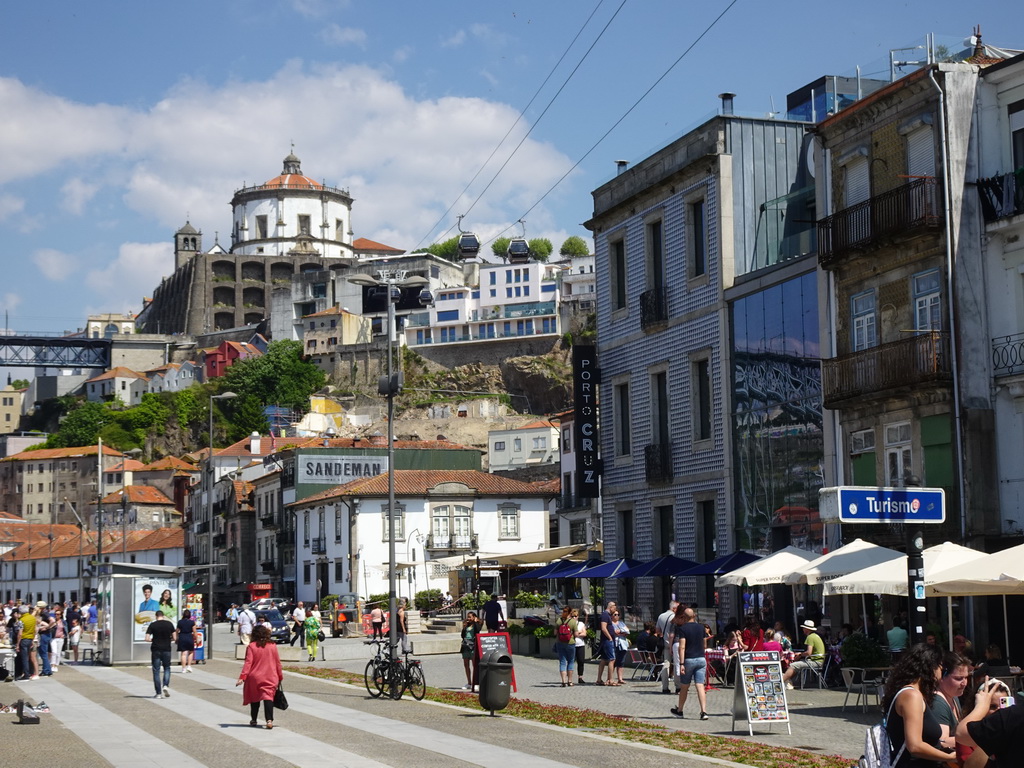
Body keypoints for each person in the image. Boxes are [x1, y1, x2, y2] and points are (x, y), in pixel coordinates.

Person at [883, 643, 955, 767]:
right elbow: (915, 746)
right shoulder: (911, 696)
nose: (941, 673)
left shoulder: (910, 693)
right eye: (941, 668)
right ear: (931, 667)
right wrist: (949, 757)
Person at [956, 677, 1024, 768]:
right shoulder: (967, 731)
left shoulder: (1015, 726)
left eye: (1003, 705)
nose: (999, 711)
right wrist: (993, 735)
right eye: (992, 706)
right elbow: (970, 766)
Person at [236, 624, 283, 730]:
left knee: (254, 698)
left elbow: (248, 663)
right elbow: (277, 663)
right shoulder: (273, 645)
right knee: (268, 697)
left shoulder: (252, 646)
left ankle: (254, 719)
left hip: (255, 677)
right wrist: (280, 676)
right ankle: (269, 720)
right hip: (271, 676)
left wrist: (242, 677)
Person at [670, 607, 709, 720]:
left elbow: (682, 647)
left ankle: (680, 710)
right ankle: (704, 711)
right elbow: (705, 644)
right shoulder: (701, 628)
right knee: (700, 685)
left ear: (684, 617)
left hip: (689, 659)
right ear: (694, 616)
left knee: (685, 686)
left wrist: (681, 664)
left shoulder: (683, 629)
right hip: (701, 659)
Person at [930, 652, 970, 754]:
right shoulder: (938, 703)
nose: (964, 683)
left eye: (966, 677)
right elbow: (943, 742)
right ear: (942, 677)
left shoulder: (954, 697)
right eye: (958, 678)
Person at [782, 620, 826, 689]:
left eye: (804, 628)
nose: (802, 629)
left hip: (815, 662)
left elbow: (809, 652)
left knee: (793, 665)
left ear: (807, 629)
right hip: (819, 660)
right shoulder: (815, 636)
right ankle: (787, 680)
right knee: (797, 664)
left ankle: (780, 682)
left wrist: (800, 654)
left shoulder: (810, 637)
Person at [145, 610, 177, 699]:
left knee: (156, 671)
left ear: (156, 616)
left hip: (156, 649)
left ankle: (158, 693)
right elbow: (174, 637)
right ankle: (165, 685)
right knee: (167, 668)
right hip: (166, 649)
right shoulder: (169, 624)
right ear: (163, 616)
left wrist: (153, 640)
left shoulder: (153, 625)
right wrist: (168, 639)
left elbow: (147, 638)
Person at [656, 600, 679, 694]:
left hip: (665, 644)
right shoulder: (675, 617)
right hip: (674, 643)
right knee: (677, 664)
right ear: (674, 608)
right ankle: (678, 686)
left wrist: (664, 634)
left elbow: (657, 630)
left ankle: (665, 687)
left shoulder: (661, 616)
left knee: (666, 664)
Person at [595, 601, 618, 686]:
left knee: (604, 660)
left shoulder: (607, 615)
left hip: (607, 640)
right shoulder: (605, 615)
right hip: (607, 641)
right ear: (610, 607)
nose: (614, 610)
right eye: (614, 608)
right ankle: (610, 680)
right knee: (612, 659)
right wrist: (610, 638)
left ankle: (599, 679)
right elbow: (603, 628)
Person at [555, 605, 578, 687]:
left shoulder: (559, 620)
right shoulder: (572, 622)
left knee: (562, 662)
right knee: (571, 661)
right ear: (570, 612)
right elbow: (576, 634)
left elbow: (554, 633)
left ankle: (563, 681)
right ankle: (570, 681)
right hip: (570, 643)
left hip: (560, 643)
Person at [15, 605, 38, 681]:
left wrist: (18, 644)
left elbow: (20, 633)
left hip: (24, 639)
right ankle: (30, 672)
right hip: (30, 638)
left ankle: (26, 675)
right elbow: (35, 630)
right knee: (30, 657)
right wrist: (32, 639)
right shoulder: (33, 618)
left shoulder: (21, 620)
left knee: (24, 658)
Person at [460, 612, 482, 691]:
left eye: (470, 617)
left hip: (473, 646)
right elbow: (462, 636)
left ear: (474, 617)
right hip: (466, 646)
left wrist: (476, 622)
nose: (468, 619)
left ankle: (475, 682)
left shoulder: (477, 624)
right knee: (466, 665)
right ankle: (469, 682)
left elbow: (478, 631)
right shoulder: (467, 625)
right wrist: (464, 627)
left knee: (474, 665)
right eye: (467, 617)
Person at [34, 601, 54, 677]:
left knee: (43, 653)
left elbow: (53, 621)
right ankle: (47, 669)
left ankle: (46, 670)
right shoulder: (44, 613)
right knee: (44, 653)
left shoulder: (44, 614)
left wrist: (46, 627)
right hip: (46, 634)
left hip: (44, 635)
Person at [612, 609, 630, 685]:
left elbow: (627, 631)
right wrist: (622, 631)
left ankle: (620, 678)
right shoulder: (610, 624)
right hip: (614, 643)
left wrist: (620, 632)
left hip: (622, 644)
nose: (617, 616)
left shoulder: (621, 623)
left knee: (621, 661)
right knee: (613, 661)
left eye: (618, 615)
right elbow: (614, 632)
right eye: (615, 614)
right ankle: (610, 678)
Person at [572, 608, 590, 684]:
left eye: (576, 616)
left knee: (581, 661)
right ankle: (570, 678)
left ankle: (580, 677)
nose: (574, 617)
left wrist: (577, 633)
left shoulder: (581, 624)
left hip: (580, 644)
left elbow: (584, 634)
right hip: (572, 644)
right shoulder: (569, 624)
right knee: (571, 661)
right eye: (573, 616)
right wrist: (579, 633)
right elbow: (570, 634)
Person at [176, 609, 196, 673]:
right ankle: (189, 666)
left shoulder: (180, 622)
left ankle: (183, 668)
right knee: (191, 652)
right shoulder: (192, 622)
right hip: (189, 636)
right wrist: (197, 638)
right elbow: (194, 631)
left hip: (182, 636)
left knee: (183, 654)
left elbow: (177, 631)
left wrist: (177, 638)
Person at [50, 605, 66, 671]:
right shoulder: (53, 621)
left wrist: (64, 635)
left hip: (60, 638)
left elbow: (66, 630)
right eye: (56, 614)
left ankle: (56, 665)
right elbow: (49, 628)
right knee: (54, 652)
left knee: (58, 653)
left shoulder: (63, 622)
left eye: (58, 614)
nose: (57, 615)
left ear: (61, 615)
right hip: (53, 638)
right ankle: (52, 664)